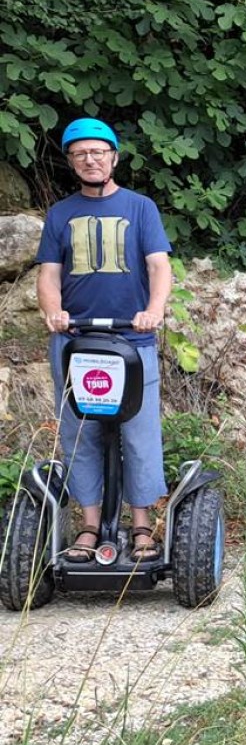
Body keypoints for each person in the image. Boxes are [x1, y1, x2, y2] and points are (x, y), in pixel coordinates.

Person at [36, 117, 173, 563]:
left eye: (98, 152)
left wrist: (154, 310)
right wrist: (52, 312)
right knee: (81, 433)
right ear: (72, 162)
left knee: (139, 431)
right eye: (80, 154)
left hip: (133, 340)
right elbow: (49, 275)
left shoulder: (140, 207)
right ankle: (90, 526)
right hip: (76, 341)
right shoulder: (60, 214)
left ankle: (142, 527)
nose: (90, 160)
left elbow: (158, 266)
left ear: (113, 157)